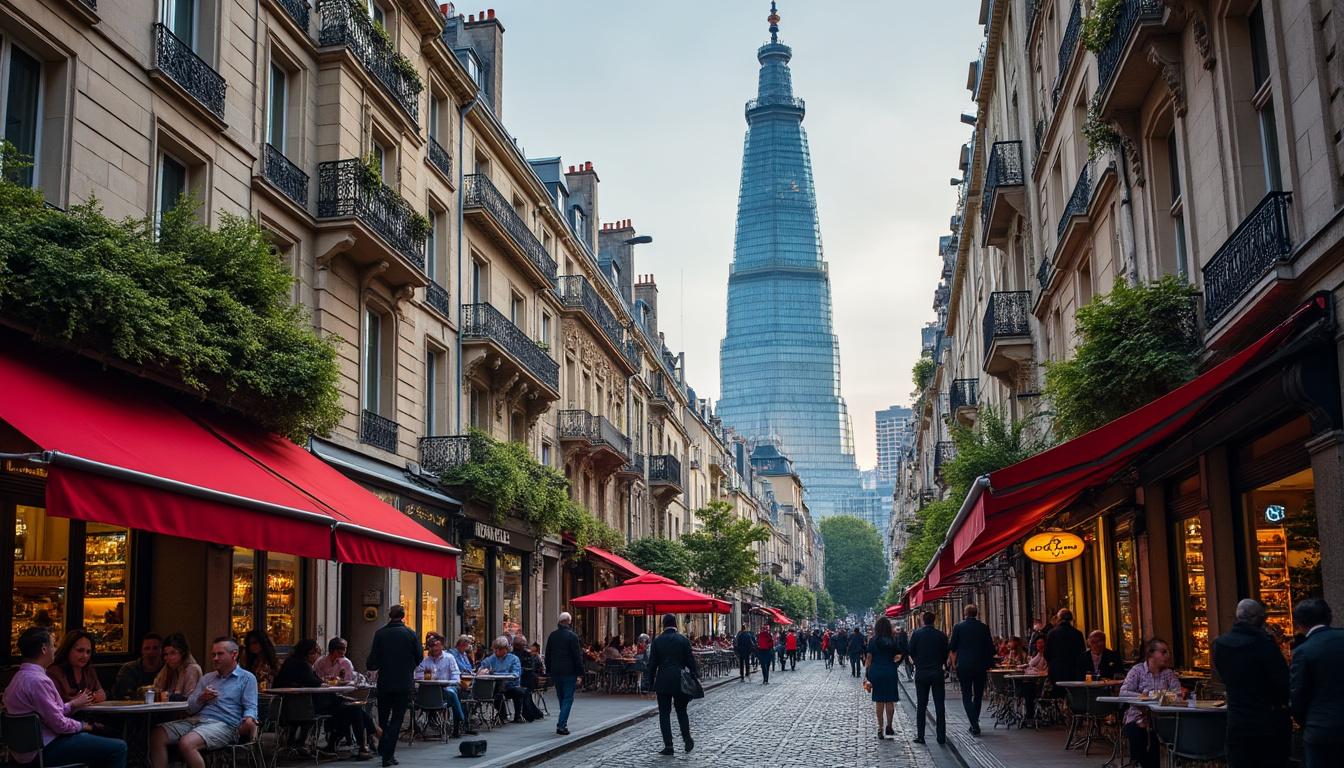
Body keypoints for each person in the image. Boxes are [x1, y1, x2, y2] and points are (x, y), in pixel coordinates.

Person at [4, 626, 127, 768]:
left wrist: (73, 704)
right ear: (44, 649)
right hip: (44, 750)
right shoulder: (39, 681)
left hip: (23, 752)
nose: (55, 649)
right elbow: (59, 724)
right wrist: (84, 726)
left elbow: (52, 712)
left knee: (101, 745)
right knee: (119, 747)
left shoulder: (18, 678)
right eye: (53, 645)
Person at [149, 637, 258, 768]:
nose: (215, 658)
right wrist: (201, 698)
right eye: (213, 654)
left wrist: (249, 719)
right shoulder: (208, 678)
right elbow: (189, 708)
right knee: (156, 735)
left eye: (220, 654)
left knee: (187, 743)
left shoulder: (247, 678)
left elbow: (251, 706)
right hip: (196, 721)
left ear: (234, 654)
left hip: (224, 724)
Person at [1211, 599, 1290, 768]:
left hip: (1237, 718)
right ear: (1258, 620)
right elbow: (1282, 681)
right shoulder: (1265, 645)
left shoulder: (1220, 644)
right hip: (1267, 720)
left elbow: (1220, 676)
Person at [1289, 597, 1344, 768]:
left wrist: (1307, 721)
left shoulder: (1304, 651)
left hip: (1321, 729)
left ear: (1300, 624)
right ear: (1329, 616)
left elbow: (1297, 695)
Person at [366, 604, 420, 767]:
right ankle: (387, 755)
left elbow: (372, 662)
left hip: (385, 683)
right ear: (403, 616)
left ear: (390, 615)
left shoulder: (380, 634)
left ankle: (384, 749)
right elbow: (419, 657)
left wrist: (379, 665)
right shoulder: (410, 634)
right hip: (403, 683)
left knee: (383, 717)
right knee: (397, 719)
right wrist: (408, 667)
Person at [1119, 637, 1182, 768]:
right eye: (1163, 652)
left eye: (1168, 652)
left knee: (1156, 734)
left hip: (1162, 719)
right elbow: (1124, 692)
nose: (1168, 656)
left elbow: (1178, 695)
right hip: (1138, 715)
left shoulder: (1168, 674)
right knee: (1138, 732)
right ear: (1151, 653)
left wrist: (1154, 696)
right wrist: (1143, 697)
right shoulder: (1137, 670)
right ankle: (1138, 763)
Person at [646, 614, 697, 756]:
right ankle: (687, 739)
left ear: (663, 625)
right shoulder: (683, 640)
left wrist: (649, 682)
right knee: (681, 711)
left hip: (663, 680)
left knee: (664, 714)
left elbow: (652, 664)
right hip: (680, 680)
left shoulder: (657, 641)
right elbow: (690, 661)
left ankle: (668, 745)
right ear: (675, 624)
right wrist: (694, 677)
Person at [948, 604, 995, 736]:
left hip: (964, 665)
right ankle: (974, 722)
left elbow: (952, 647)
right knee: (978, 695)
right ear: (976, 613)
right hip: (980, 665)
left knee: (966, 695)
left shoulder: (958, 627)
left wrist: (953, 663)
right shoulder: (984, 627)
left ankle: (974, 724)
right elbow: (991, 648)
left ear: (965, 613)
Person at [417, 634, 475, 739]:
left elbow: (456, 677)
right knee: (453, 695)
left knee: (453, 692)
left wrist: (446, 683)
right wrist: (427, 677)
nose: (434, 649)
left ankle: (457, 726)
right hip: (430, 691)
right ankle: (461, 717)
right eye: (432, 647)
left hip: (446, 688)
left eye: (437, 647)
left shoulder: (449, 658)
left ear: (441, 647)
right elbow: (417, 674)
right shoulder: (426, 660)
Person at [907, 611, 948, 745]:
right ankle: (941, 736)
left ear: (923, 620)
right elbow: (945, 653)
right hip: (937, 672)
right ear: (934, 621)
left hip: (922, 673)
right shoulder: (941, 635)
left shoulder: (917, 634)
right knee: (939, 705)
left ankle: (921, 736)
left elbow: (910, 651)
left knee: (921, 705)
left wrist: (917, 662)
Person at [544, 612, 584, 736]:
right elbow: (577, 657)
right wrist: (580, 673)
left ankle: (563, 721)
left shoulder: (552, 636)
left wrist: (549, 669)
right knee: (568, 698)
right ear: (569, 621)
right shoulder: (572, 636)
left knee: (561, 697)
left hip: (556, 672)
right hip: (569, 672)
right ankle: (561, 725)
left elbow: (547, 655)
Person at [865, 616, 904, 740]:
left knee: (879, 700)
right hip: (890, 671)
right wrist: (894, 663)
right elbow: (899, 654)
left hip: (876, 671)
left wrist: (867, 674)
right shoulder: (893, 640)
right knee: (890, 700)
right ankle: (890, 726)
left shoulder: (873, 640)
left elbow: (869, 658)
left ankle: (880, 728)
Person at [48, 630, 108, 704]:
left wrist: (99, 696)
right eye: (80, 651)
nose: (85, 656)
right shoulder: (54, 673)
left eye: (88, 652)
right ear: (68, 650)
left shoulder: (89, 670)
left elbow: (100, 693)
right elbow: (54, 704)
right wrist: (76, 701)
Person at [478, 636, 528, 723]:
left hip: (510, 685)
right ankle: (502, 715)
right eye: (495, 649)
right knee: (495, 693)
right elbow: (481, 667)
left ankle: (517, 715)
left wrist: (497, 674)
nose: (497, 651)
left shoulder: (513, 659)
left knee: (518, 691)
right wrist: (483, 671)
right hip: (495, 685)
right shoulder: (491, 659)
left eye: (499, 649)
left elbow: (516, 674)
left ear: (506, 649)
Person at [113, 633, 164, 700]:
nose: (151, 652)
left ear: (161, 650)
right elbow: (124, 695)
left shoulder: (167, 669)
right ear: (142, 650)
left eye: (155, 648)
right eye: (147, 648)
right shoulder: (129, 669)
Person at [154, 633, 204, 699]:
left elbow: (189, 700)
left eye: (173, 653)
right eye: (166, 654)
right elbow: (157, 690)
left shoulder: (192, 669)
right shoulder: (168, 669)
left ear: (183, 653)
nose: (168, 657)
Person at [1044, 608, 1084, 685]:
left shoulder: (1052, 633)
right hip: (1073, 670)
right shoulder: (1077, 633)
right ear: (1071, 619)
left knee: (1059, 695)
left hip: (1056, 670)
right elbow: (1082, 653)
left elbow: (1047, 653)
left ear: (1059, 619)